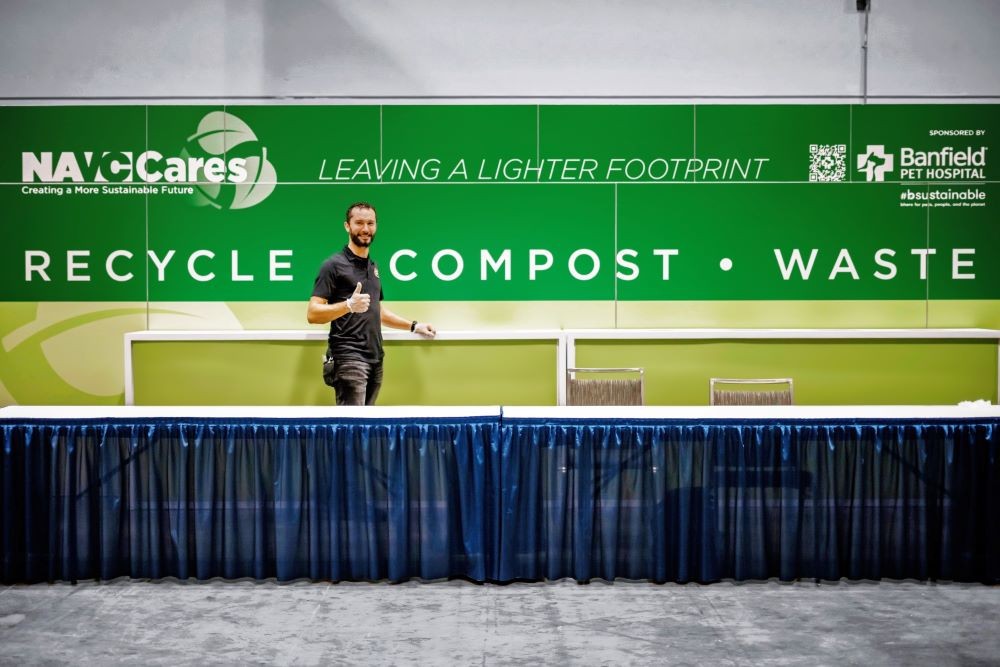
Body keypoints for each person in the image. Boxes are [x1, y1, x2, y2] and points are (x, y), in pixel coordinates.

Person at [307, 202, 436, 405]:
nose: (365, 229)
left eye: (370, 223)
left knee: (366, 427)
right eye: (359, 223)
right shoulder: (333, 265)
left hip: (375, 358)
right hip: (348, 359)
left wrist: (414, 326)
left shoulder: (373, 266)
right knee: (353, 428)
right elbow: (313, 313)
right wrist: (348, 305)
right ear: (347, 226)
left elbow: (377, 310)